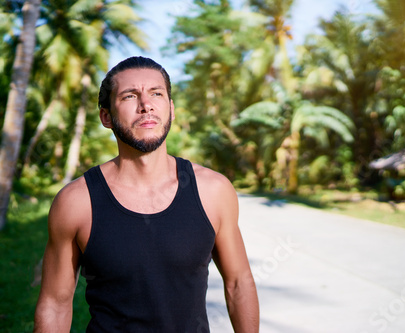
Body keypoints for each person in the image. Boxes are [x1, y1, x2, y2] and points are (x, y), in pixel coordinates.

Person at [33, 56, 259, 332]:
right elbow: (55, 303)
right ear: (106, 116)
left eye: (156, 93)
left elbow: (239, 283)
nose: (146, 105)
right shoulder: (76, 202)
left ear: (171, 109)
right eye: (129, 96)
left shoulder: (213, 190)